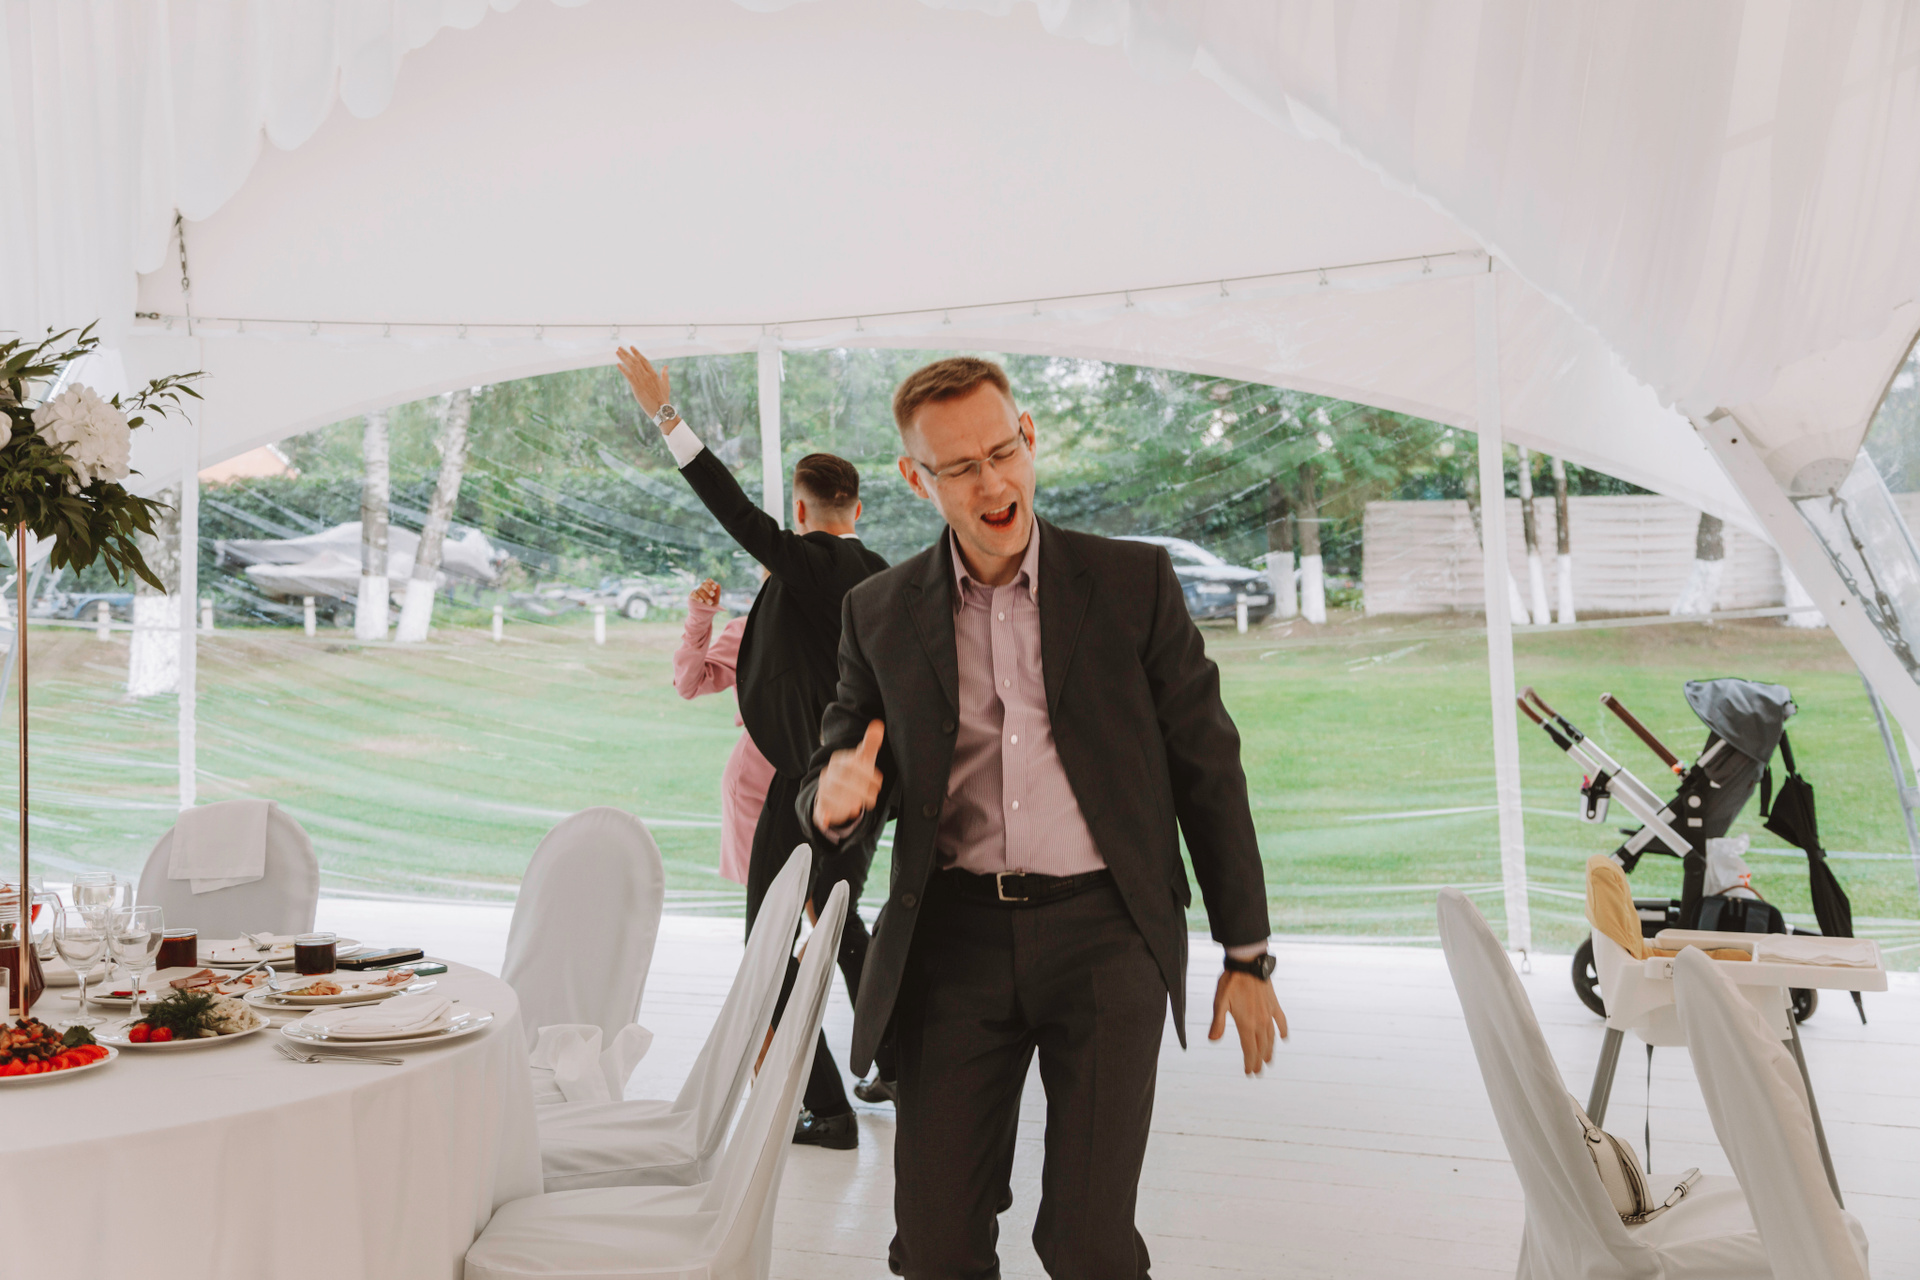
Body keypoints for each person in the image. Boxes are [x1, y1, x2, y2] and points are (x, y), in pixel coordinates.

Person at [799, 357, 1286, 1278]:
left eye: (1003, 451)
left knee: (1090, 1244)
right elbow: (843, 764)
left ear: (1028, 437)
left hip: (1106, 935)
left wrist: (1247, 955)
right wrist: (833, 802)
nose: (992, 483)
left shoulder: (1133, 583)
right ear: (916, 479)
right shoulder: (879, 612)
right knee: (936, 1244)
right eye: (960, 467)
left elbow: (1207, 767)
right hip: (951, 943)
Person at [616, 346, 891, 1150]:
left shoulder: (807, 563)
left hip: (801, 790)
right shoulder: (881, 575)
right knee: (838, 927)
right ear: (857, 508)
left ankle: (826, 1107)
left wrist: (666, 413)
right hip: (858, 787)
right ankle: (899, 1061)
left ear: (801, 513)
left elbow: (730, 507)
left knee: (770, 949)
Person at [672, 577, 773, 887]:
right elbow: (689, 684)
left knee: (823, 896)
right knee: (767, 897)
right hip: (756, 781)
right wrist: (698, 620)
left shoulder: (840, 623)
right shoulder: (749, 631)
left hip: (826, 778)